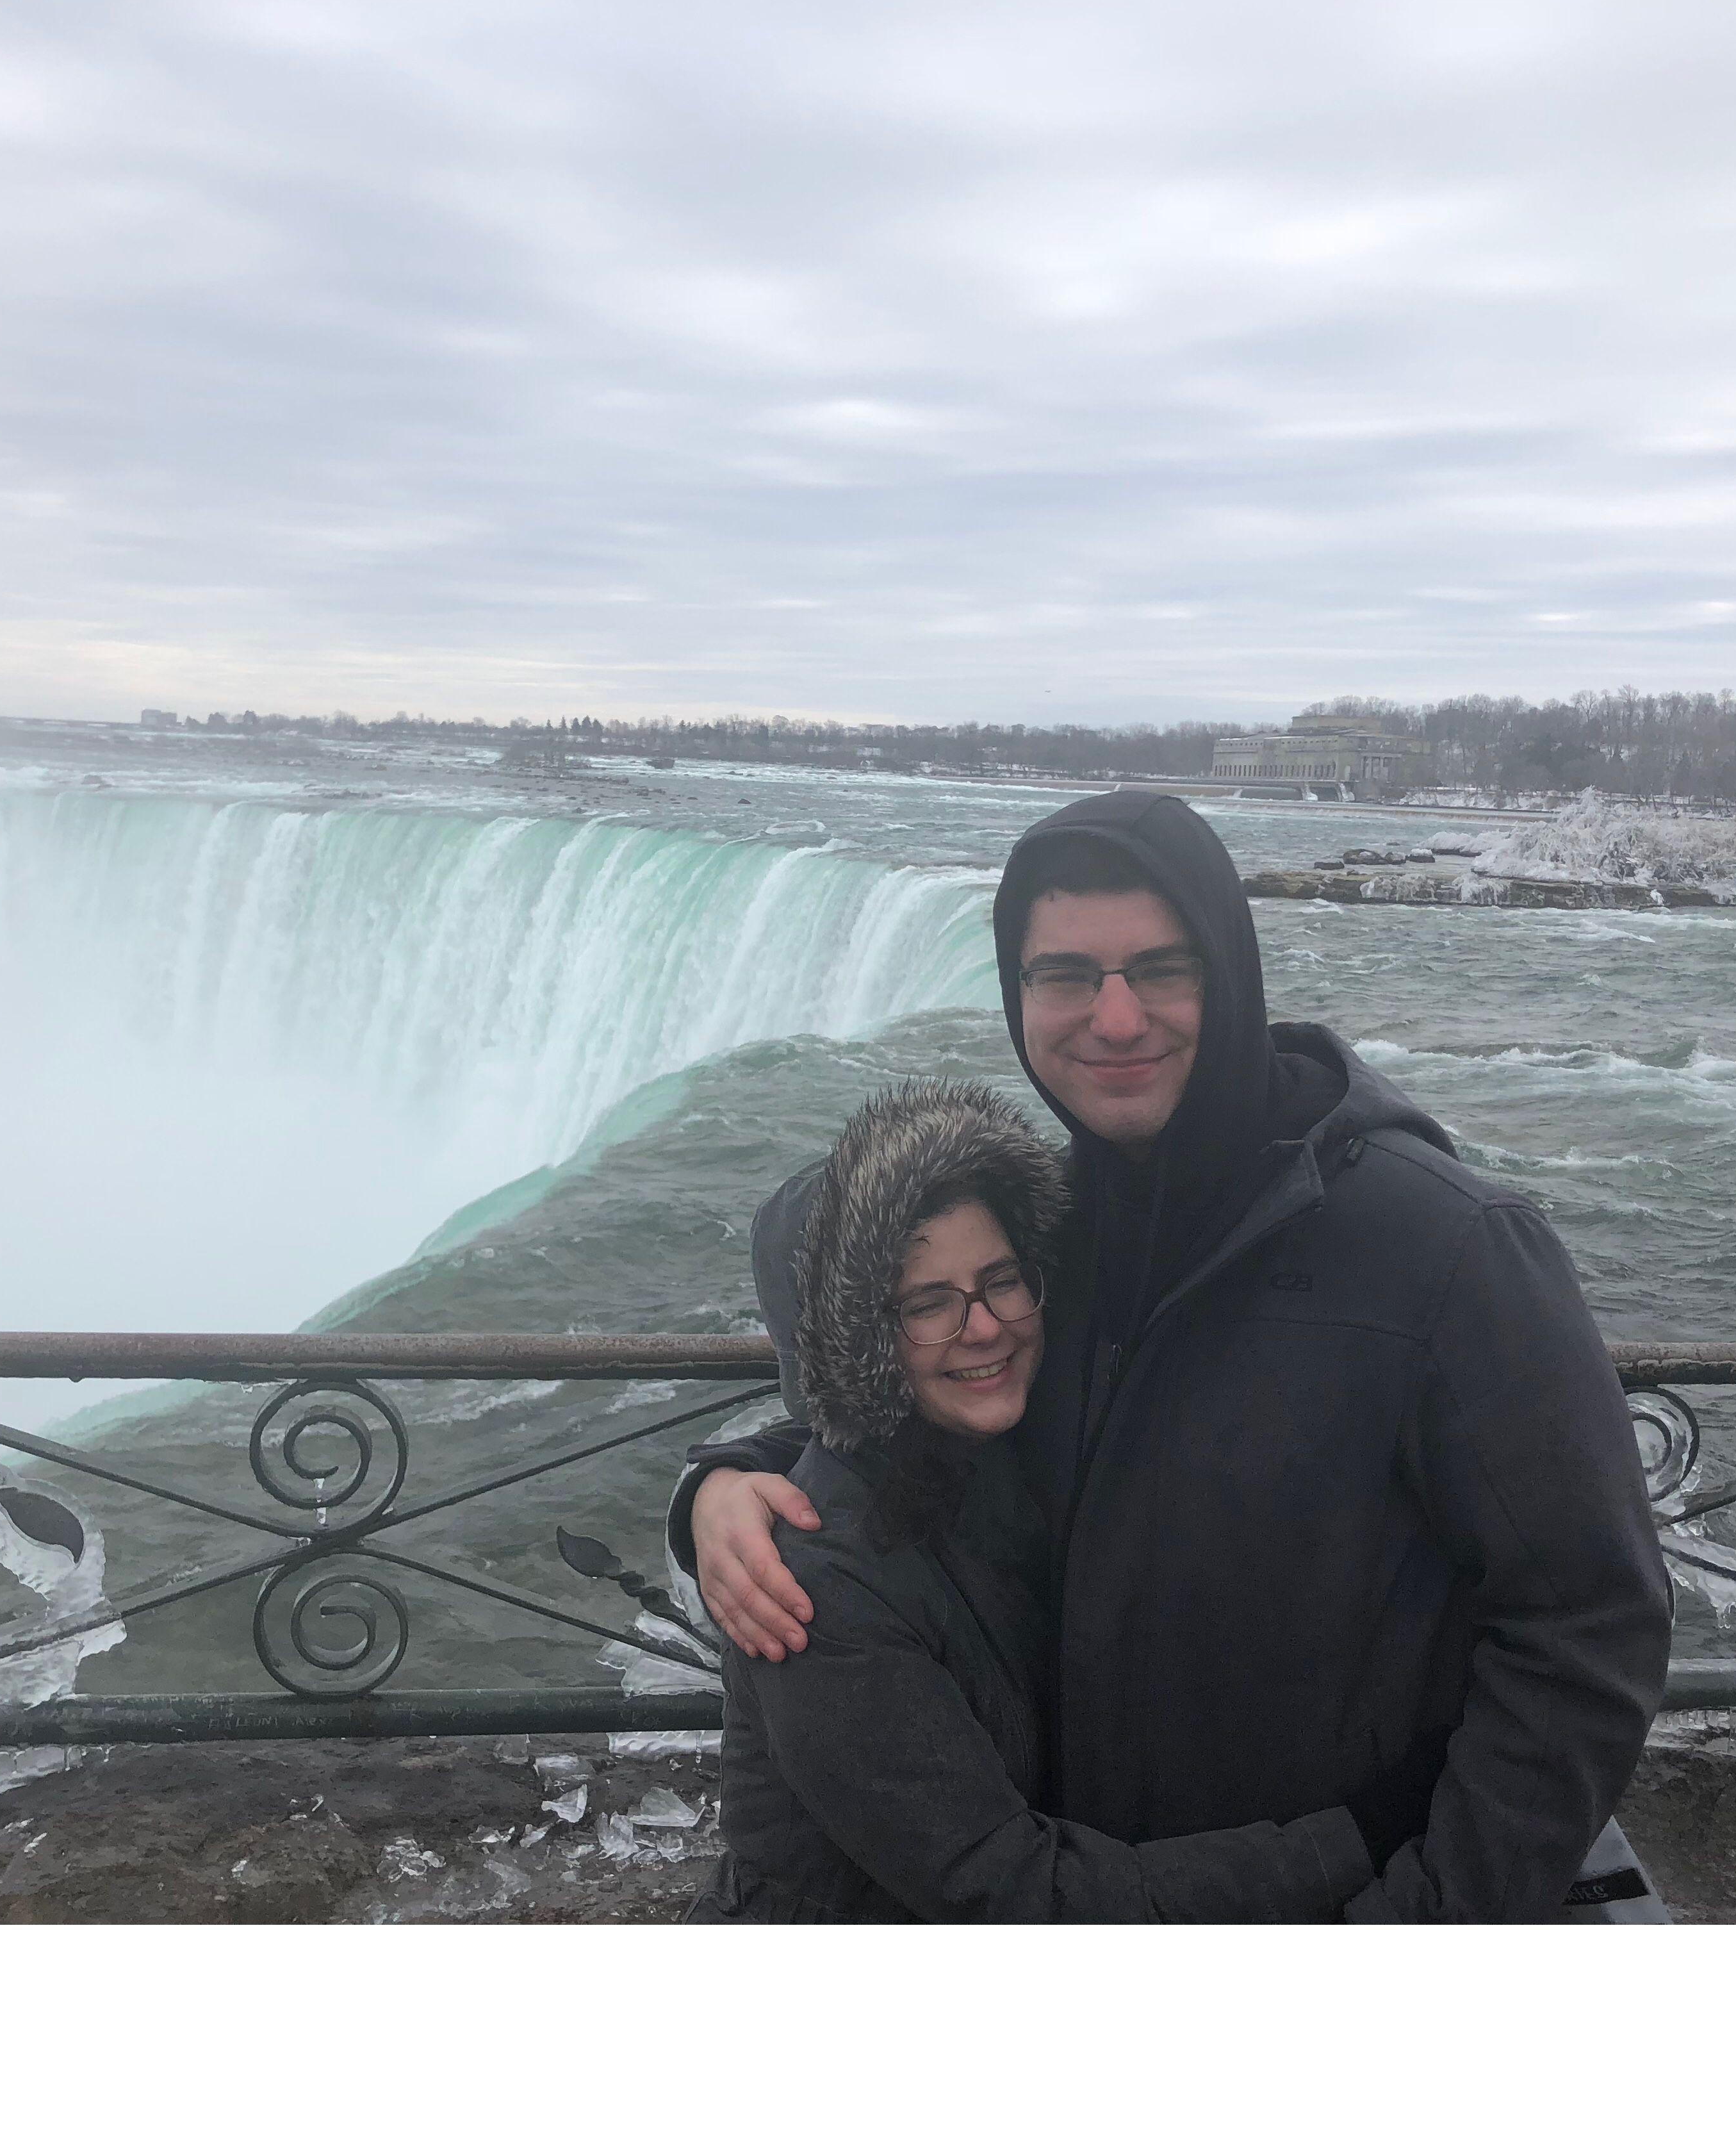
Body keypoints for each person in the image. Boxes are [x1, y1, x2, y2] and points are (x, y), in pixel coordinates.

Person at [675, 788, 1676, 1924]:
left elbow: (1589, 1628)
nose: (1113, 1019)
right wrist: (724, 1482)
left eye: (1161, 967)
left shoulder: (1443, 1247)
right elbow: (920, 1399)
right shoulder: (1055, 1230)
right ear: (1017, 995)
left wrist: (1430, 1914)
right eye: (1065, 975)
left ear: (1230, 974)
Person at [685, 1077, 1375, 1924]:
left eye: (1002, 1280)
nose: (984, 1327)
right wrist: (1338, 1852)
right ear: (855, 1346)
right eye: (926, 1305)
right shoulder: (810, 1593)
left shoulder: (1013, 1441)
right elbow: (1006, 1891)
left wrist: (711, 1479)